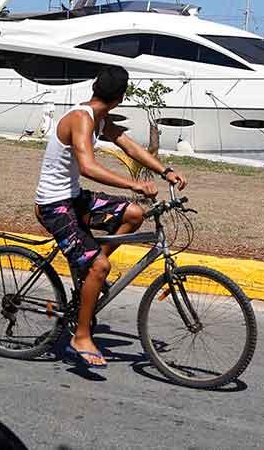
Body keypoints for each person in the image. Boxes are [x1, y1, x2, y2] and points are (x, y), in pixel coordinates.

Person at [34, 65, 186, 368]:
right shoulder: (81, 119)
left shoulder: (98, 118)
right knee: (101, 266)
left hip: (74, 198)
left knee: (134, 213)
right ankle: (81, 335)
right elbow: (88, 167)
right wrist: (134, 184)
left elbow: (129, 145)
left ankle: (88, 273)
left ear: (96, 87)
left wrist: (164, 171)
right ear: (121, 96)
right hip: (54, 205)